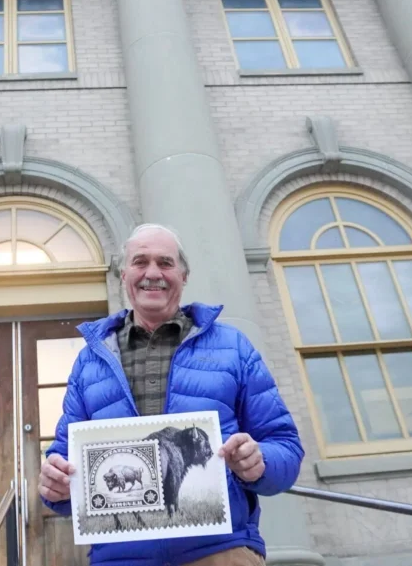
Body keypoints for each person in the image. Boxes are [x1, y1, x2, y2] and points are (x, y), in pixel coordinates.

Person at [39, 223, 304, 566]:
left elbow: (285, 445)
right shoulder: (89, 362)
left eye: (165, 263)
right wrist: (56, 484)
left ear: (183, 275)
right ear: (123, 274)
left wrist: (260, 463)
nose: (152, 273)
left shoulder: (233, 347)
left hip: (221, 553)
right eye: (140, 262)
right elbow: (65, 462)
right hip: (120, 558)